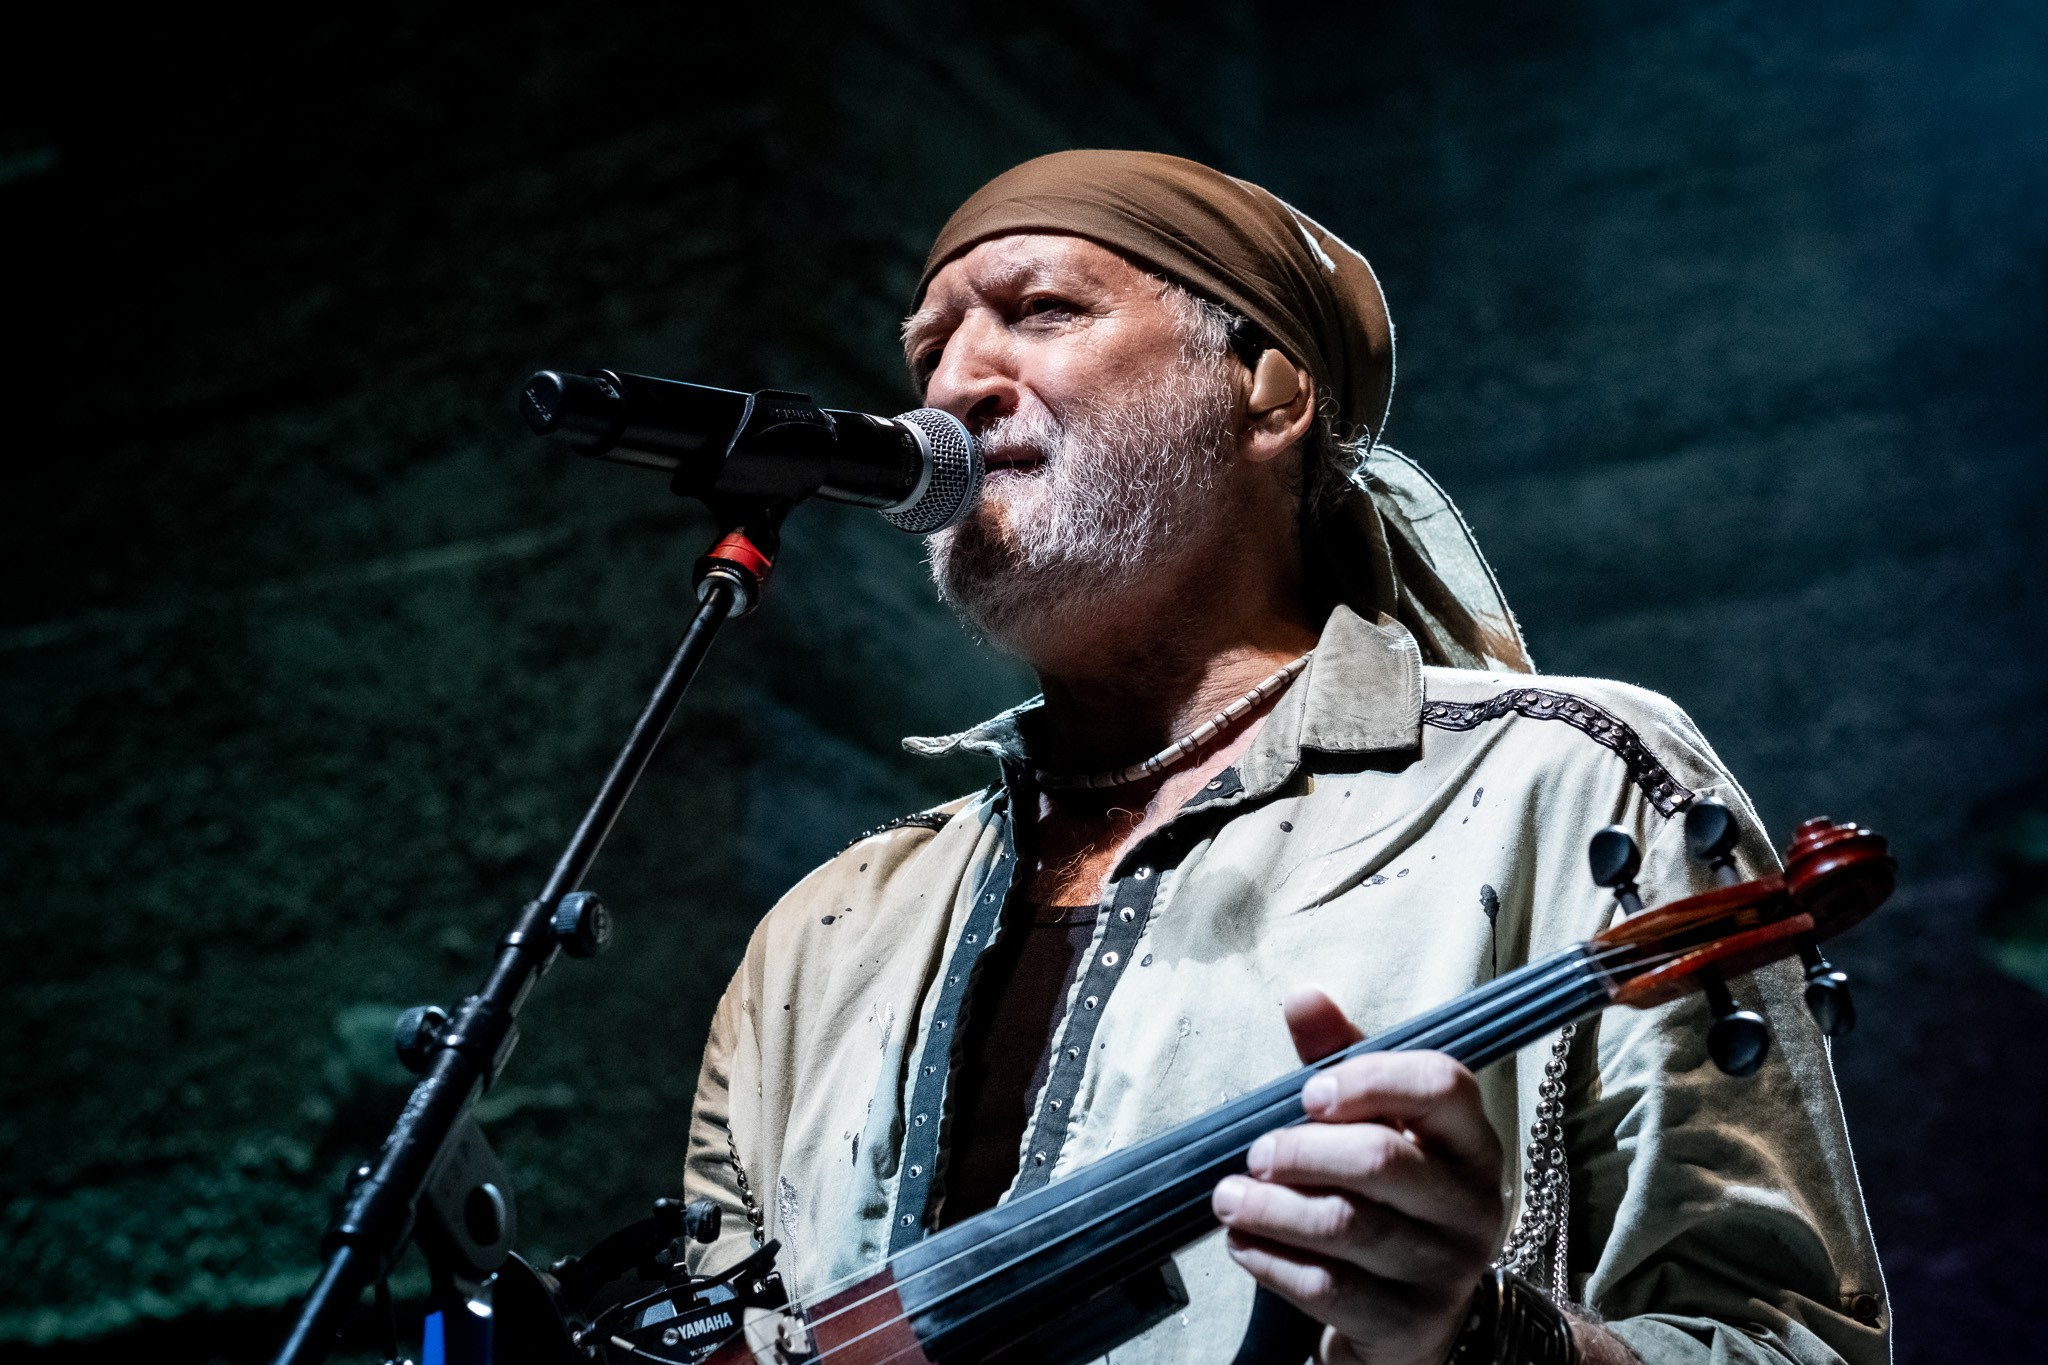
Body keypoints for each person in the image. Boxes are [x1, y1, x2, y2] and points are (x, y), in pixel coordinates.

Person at [682, 150, 1887, 1365]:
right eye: (927, 352)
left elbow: (1792, 1347)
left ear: (1267, 390)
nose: (951, 388)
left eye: (1041, 310)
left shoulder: (1563, 780)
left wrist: (1475, 1337)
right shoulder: (822, 931)